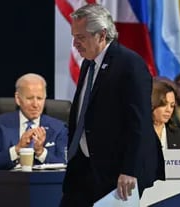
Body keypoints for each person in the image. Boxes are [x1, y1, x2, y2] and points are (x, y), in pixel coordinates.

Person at [60, 4, 165, 207]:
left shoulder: (130, 64)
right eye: (74, 37)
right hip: (85, 169)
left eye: (80, 37)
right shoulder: (87, 64)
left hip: (117, 173)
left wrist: (130, 170)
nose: (75, 44)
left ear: (101, 35)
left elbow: (139, 123)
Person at [0, 73, 68, 170]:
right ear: (18, 99)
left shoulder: (58, 128)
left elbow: (64, 165)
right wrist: (17, 148)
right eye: (30, 98)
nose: (35, 104)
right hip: (10, 183)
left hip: (45, 183)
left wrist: (40, 151)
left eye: (39, 98)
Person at [152, 78, 180, 149]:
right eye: (163, 105)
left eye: (172, 106)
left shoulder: (178, 134)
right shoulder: (136, 132)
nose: (169, 110)